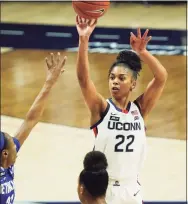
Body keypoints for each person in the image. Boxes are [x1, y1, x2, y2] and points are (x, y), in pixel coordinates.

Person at [75, 15, 168, 204]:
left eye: (121, 78)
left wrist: (142, 52)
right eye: (112, 77)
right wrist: (83, 39)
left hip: (132, 188)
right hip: (104, 190)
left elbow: (161, 77)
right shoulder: (102, 108)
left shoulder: (139, 110)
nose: (115, 81)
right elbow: (84, 80)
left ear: (133, 83)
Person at [0, 52, 67, 204]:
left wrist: (49, 84)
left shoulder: (6, 163)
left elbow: (31, 120)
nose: (16, 143)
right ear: (5, 154)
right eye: (13, 143)